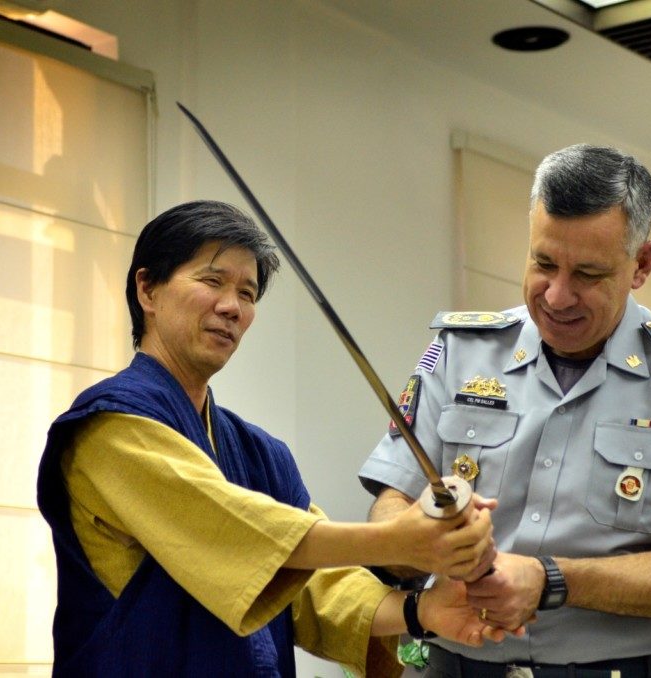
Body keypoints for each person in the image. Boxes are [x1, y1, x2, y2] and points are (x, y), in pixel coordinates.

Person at [37, 200, 504, 677]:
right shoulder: (111, 427)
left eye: (248, 292)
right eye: (212, 281)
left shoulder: (260, 453)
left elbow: (318, 586)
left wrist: (421, 611)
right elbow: (233, 532)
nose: (232, 307)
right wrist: (395, 541)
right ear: (148, 289)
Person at [359, 144, 651, 677]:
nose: (557, 296)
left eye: (588, 274)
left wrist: (552, 580)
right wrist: (422, 541)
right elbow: (390, 505)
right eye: (543, 263)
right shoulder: (459, 352)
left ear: (641, 264)